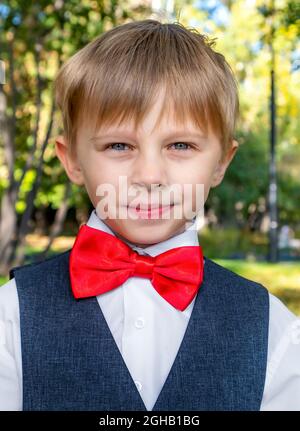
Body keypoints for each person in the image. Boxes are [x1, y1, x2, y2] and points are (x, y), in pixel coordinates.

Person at [0, 19, 299, 411]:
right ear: (72, 159)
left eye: (180, 145)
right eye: (120, 145)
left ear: (221, 163)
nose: (149, 176)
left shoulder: (274, 332)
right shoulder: (11, 319)